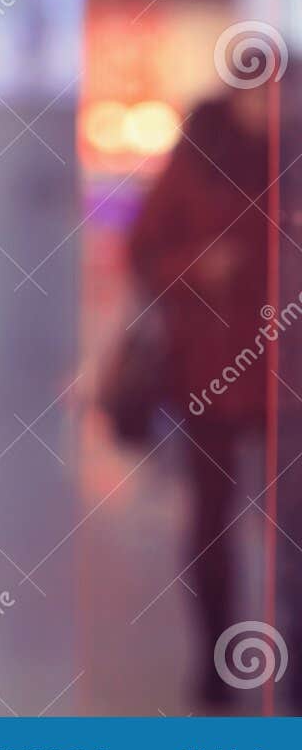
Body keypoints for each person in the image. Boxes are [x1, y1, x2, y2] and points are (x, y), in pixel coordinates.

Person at [125, 76, 271, 709]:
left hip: (288, 382)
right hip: (211, 374)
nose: (273, 106)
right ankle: (218, 661)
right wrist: (196, 266)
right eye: (262, 92)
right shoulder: (197, 157)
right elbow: (143, 251)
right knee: (212, 527)